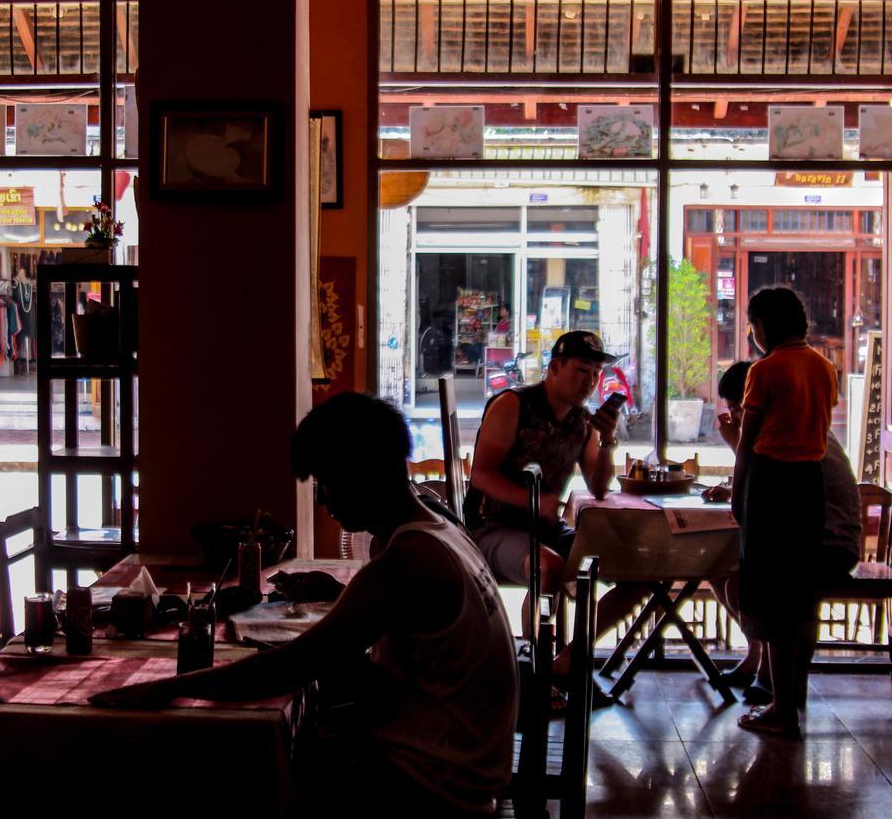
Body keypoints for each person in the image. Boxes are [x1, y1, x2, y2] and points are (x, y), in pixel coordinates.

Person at [92, 393, 517, 818]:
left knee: (214, 780)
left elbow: (292, 666)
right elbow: (405, 630)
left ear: (363, 472)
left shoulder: (408, 562)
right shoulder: (438, 526)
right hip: (467, 767)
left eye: (325, 482)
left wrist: (169, 688)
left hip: (431, 790)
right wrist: (340, 596)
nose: (323, 500)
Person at [465, 330, 644, 684]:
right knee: (549, 568)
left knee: (636, 576)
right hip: (491, 526)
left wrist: (607, 441)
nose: (590, 382)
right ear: (555, 367)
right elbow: (480, 476)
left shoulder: (582, 421)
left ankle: (569, 658)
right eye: (581, 371)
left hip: (545, 527)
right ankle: (536, 666)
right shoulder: (512, 404)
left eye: (595, 374)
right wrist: (535, 501)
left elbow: (598, 487)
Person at [704, 361, 862, 707]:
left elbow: (763, 501)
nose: (736, 416)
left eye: (737, 408)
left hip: (825, 545)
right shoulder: (790, 426)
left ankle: (772, 683)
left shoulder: (785, 433)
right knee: (716, 566)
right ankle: (756, 656)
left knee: (743, 583)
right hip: (805, 538)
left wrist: (737, 447)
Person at [729, 288, 838, 738]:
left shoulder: (765, 369)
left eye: (752, 323)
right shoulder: (824, 366)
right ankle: (791, 701)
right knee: (797, 592)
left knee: (769, 591)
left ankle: (779, 707)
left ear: (764, 325)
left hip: (771, 484)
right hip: (809, 485)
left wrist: (739, 491)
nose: (752, 333)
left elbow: (748, 441)